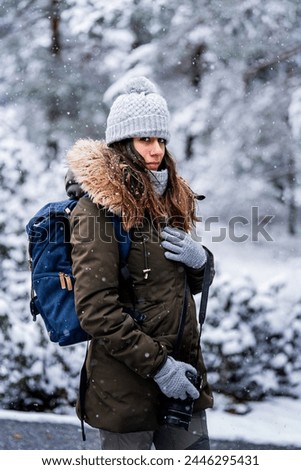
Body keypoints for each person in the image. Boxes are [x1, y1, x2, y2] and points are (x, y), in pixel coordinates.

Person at [66, 76, 214, 450]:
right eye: (145, 139)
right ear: (122, 144)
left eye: (161, 139)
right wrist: (160, 368)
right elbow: (97, 311)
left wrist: (201, 263)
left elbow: (179, 287)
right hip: (126, 389)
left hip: (183, 378)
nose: (156, 150)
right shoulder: (97, 210)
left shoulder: (169, 200)